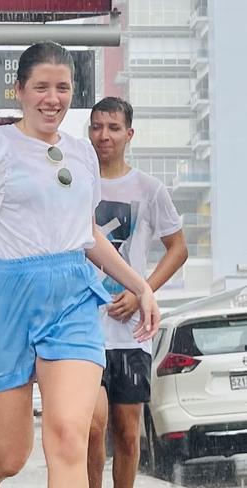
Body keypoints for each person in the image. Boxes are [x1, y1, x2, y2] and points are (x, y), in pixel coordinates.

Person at [0, 42, 160, 488]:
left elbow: (86, 233)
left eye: (63, 88)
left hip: (71, 296)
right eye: (41, 87)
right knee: (11, 456)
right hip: (5, 296)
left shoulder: (81, 153)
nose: (53, 98)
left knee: (70, 436)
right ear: (18, 90)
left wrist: (140, 286)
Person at [86, 97, 188, 488]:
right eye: (96, 127)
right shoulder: (77, 182)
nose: (104, 135)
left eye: (113, 128)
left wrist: (142, 290)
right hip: (83, 329)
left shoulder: (149, 189)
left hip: (131, 333)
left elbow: (178, 248)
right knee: (93, 430)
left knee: (127, 432)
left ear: (129, 134)